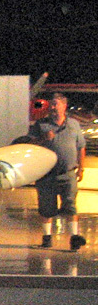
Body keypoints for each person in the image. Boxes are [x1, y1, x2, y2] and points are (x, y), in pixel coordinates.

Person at [29, 93, 87, 251]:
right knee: (46, 207)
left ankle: (74, 238)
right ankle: (47, 239)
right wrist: (42, 138)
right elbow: (30, 144)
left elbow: (81, 146)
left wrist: (81, 168)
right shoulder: (41, 125)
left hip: (67, 173)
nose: (53, 107)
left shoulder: (74, 124)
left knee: (70, 205)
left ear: (64, 106)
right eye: (51, 105)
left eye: (56, 104)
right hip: (46, 174)